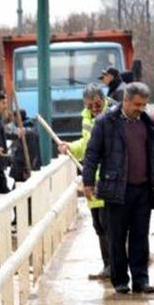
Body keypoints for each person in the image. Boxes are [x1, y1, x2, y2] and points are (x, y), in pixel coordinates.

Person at [81, 82, 154, 294]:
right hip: (116, 190)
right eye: (137, 104)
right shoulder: (106, 123)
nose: (141, 109)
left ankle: (141, 280)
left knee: (140, 236)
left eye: (144, 105)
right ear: (125, 100)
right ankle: (121, 281)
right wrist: (87, 182)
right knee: (116, 237)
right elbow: (92, 154)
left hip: (142, 189)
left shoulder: (148, 123)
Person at [60, 85, 110, 279]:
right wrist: (70, 147)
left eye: (97, 104)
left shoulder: (111, 117)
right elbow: (87, 144)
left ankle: (115, 266)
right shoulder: (87, 117)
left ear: (102, 100)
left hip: (106, 180)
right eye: (89, 105)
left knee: (110, 225)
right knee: (99, 225)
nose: (93, 108)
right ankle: (108, 266)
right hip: (91, 180)